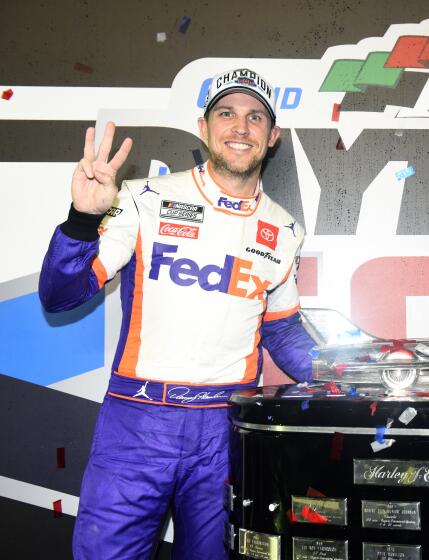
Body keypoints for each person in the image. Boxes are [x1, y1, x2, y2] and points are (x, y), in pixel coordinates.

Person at [39, 68, 314, 559]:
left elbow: (285, 333)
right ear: (203, 127)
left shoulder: (285, 229)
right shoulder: (145, 199)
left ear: (271, 138)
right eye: (226, 113)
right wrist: (82, 219)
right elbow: (60, 295)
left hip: (226, 431)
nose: (240, 127)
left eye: (255, 118)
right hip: (138, 424)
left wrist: (360, 373)